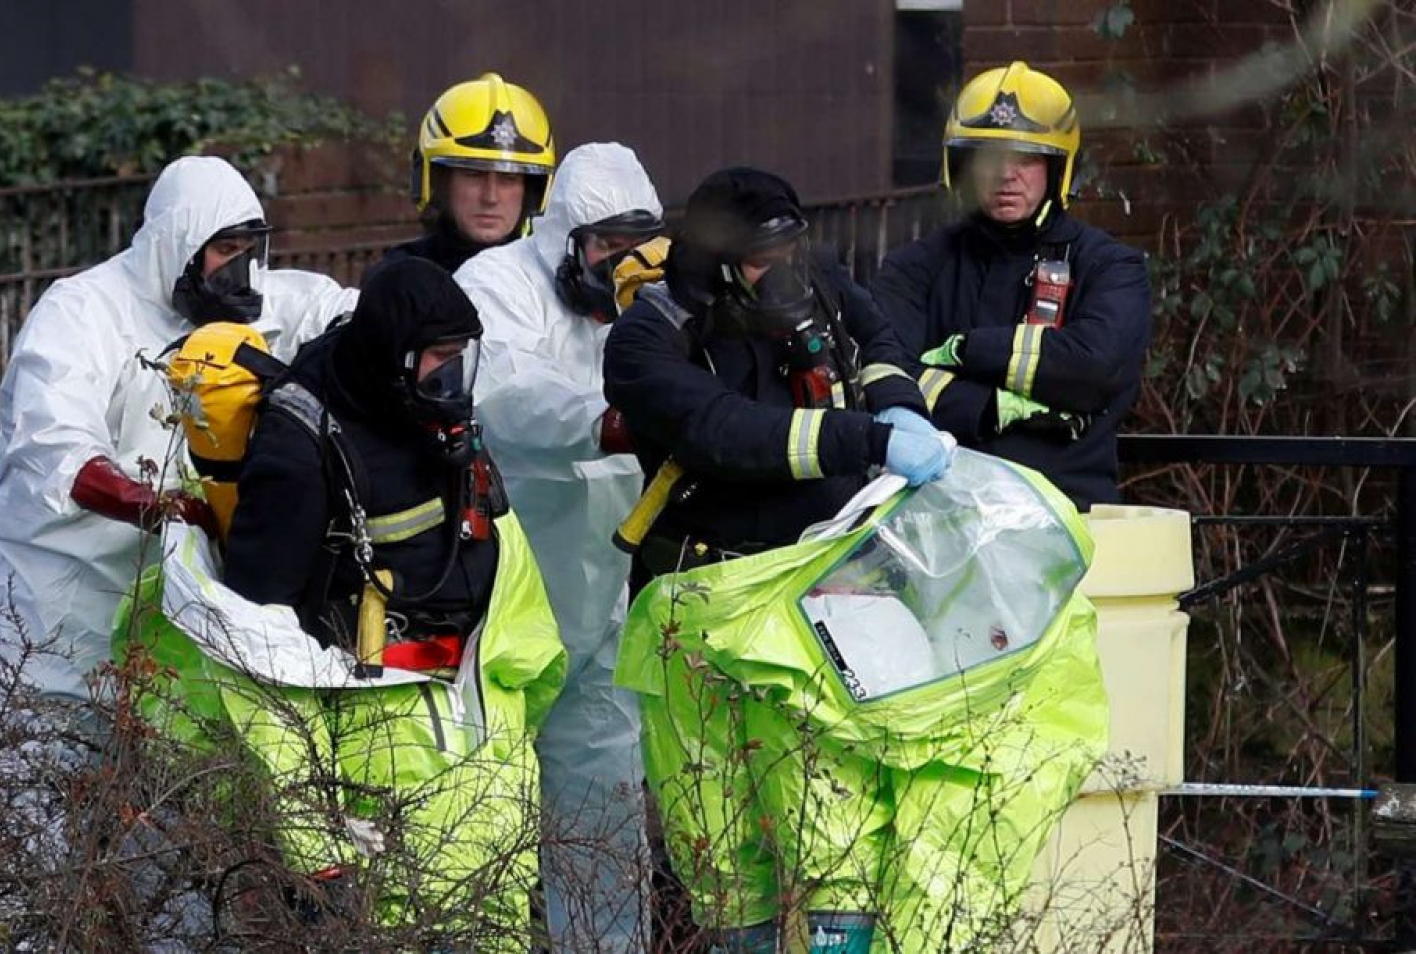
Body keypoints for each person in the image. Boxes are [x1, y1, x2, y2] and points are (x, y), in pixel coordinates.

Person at [602, 167, 952, 950]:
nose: (785, 270)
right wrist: (867, 438)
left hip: (830, 586)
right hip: (705, 600)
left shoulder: (815, 275)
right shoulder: (649, 336)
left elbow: (881, 339)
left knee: (838, 823)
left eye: (792, 248)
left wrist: (898, 402)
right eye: (765, 257)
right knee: (718, 839)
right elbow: (727, 433)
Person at [219, 258, 565, 944]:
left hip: (485, 743)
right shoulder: (303, 441)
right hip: (381, 764)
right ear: (392, 356)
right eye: (437, 362)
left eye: (459, 363)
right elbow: (253, 648)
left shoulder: (425, 417)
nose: (450, 383)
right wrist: (316, 848)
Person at [0, 156, 359, 710]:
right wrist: (159, 506)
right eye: (225, 251)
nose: (242, 270)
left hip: (183, 619)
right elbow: (55, 449)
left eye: (251, 250)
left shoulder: (267, 308)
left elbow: (357, 318)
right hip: (63, 613)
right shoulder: (82, 312)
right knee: (43, 772)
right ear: (176, 247)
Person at [454, 142, 664, 951]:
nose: (621, 264)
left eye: (635, 243)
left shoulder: (655, 296)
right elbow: (505, 393)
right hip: (509, 599)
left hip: (606, 597)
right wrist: (610, 419)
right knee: (481, 812)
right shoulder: (499, 284)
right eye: (605, 246)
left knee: (604, 820)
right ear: (566, 238)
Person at [871, 60, 1151, 509]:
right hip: (938, 515)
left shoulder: (1108, 266)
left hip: (1064, 513)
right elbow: (884, 379)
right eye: (989, 159)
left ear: (1058, 169)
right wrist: (993, 408)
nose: (1007, 175)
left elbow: (1094, 370)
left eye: (1026, 159)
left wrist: (964, 352)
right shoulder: (914, 268)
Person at [380, 72, 556, 274]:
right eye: (474, 175)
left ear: (531, 191)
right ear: (439, 182)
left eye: (508, 179)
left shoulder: (552, 279)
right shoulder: (398, 281)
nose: (490, 197)